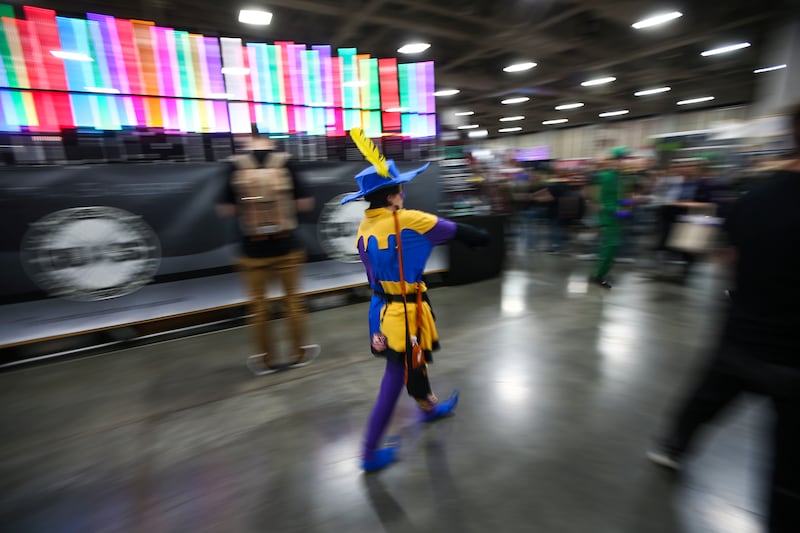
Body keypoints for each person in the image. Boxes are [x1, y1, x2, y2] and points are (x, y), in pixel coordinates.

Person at [647, 104, 800, 532]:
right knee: (789, 475)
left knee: (705, 400)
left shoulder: (753, 200)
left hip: (743, 335)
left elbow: (728, 259)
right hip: (791, 359)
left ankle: (674, 445)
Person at [343, 128, 489, 472]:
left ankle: (428, 406)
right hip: (403, 316)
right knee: (394, 379)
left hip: (380, 311)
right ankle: (367, 454)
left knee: (414, 362)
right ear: (392, 196)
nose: (404, 193)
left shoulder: (365, 227)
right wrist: (482, 237)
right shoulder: (409, 220)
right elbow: (462, 233)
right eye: (400, 189)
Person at [218, 126, 320, 375]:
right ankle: (299, 353)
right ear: (270, 140)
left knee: (259, 307)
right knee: (293, 302)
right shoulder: (286, 162)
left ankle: (265, 360)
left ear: (247, 138)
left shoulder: (234, 165)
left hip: (251, 249)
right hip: (287, 246)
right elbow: (305, 203)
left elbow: (226, 210)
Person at [588, 150, 623, 288]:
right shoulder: (605, 176)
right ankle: (599, 276)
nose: (620, 162)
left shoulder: (617, 177)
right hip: (608, 217)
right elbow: (594, 195)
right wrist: (600, 206)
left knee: (611, 248)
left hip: (614, 217)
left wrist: (627, 204)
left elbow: (619, 198)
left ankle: (600, 273)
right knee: (610, 247)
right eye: (617, 159)